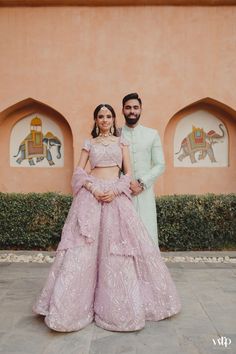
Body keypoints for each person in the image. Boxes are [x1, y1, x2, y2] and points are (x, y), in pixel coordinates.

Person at [32, 104, 181, 332]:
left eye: (108, 116)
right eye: (101, 116)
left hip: (115, 197)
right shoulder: (88, 143)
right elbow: (78, 173)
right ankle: (72, 308)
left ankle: (117, 309)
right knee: (83, 248)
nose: (105, 119)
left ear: (113, 119)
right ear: (95, 119)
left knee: (117, 250)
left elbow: (127, 173)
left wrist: (116, 189)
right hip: (91, 197)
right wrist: (92, 188)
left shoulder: (121, 142)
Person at [121, 93, 165, 246]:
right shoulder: (115, 134)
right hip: (121, 193)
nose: (132, 111)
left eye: (135, 107)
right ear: (122, 110)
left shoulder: (152, 134)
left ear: (141, 110)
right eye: (128, 108)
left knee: (147, 234)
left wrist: (141, 183)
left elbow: (160, 164)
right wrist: (124, 183)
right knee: (122, 235)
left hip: (145, 193)